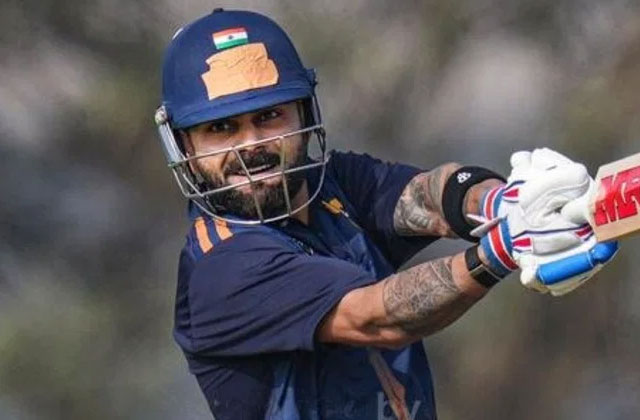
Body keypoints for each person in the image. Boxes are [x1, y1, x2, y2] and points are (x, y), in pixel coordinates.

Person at [154, 9, 618, 420]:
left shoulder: (332, 182)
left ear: (303, 113)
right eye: (221, 128)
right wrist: (502, 250)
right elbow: (378, 317)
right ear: (184, 145)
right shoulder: (221, 269)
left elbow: (433, 195)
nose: (251, 145)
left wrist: (507, 201)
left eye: (269, 116)